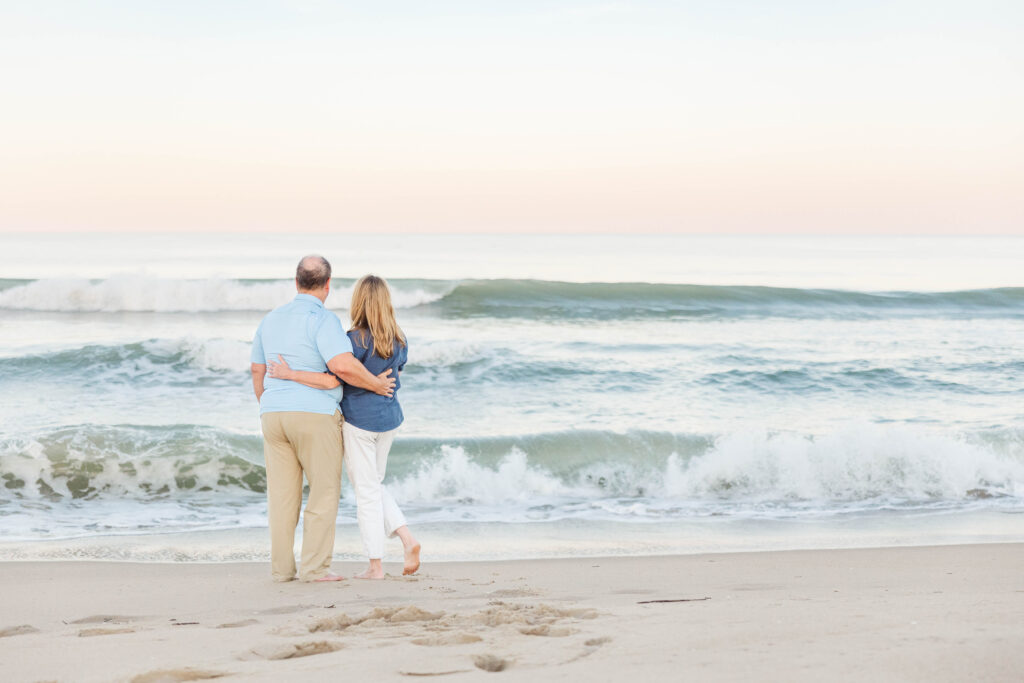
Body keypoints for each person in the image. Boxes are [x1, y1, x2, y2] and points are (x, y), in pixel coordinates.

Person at [251, 256, 396, 583]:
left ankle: (281, 570)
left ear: (296, 281)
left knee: (282, 496)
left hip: (273, 415)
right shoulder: (323, 319)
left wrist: (268, 402)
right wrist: (375, 384)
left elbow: (257, 370)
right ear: (328, 285)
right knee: (324, 491)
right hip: (315, 415)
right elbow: (342, 366)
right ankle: (314, 569)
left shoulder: (270, 319)